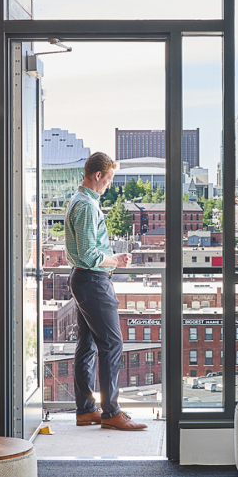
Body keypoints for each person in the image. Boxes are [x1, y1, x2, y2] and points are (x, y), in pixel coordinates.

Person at [64, 151, 146, 431]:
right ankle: (111, 412)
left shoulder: (78, 201)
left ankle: (86, 410)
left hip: (82, 280)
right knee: (112, 345)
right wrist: (117, 260)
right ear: (97, 176)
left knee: (87, 346)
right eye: (109, 180)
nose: (109, 185)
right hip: (93, 281)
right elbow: (88, 254)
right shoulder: (87, 206)